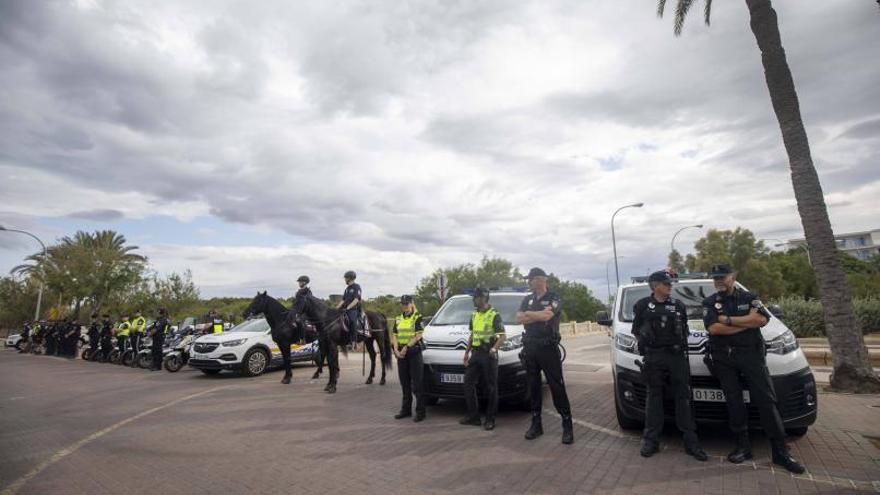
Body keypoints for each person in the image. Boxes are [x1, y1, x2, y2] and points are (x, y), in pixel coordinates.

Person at [702, 263, 805, 474]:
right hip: (724, 358)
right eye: (715, 278)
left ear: (733, 276)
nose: (718, 281)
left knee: (766, 400)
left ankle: (780, 451)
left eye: (722, 277)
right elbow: (713, 327)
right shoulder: (710, 301)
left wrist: (729, 320)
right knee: (734, 401)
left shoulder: (750, 297)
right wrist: (746, 322)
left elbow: (762, 319)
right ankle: (743, 447)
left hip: (751, 356)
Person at [632, 270, 708, 460]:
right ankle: (651, 441)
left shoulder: (678, 305)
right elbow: (637, 331)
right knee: (654, 398)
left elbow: (685, 330)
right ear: (655, 285)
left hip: (676, 357)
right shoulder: (642, 306)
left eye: (670, 283)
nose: (670, 286)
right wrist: (650, 347)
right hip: (654, 357)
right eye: (666, 284)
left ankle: (691, 442)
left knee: (683, 397)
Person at [516, 267, 574, 444]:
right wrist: (535, 315)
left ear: (540, 280)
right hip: (531, 348)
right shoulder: (528, 298)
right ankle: (536, 424)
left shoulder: (553, 297)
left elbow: (548, 316)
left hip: (548, 348)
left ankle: (567, 426)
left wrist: (530, 314)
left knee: (556, 386)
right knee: (533, 386)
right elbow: (518, 318)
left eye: (531, 279)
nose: (528, 282)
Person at [460, 288, 506, 431]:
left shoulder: (494, 315)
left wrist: (494, 349)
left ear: (483, 299)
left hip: (489, 355)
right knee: (468, 383)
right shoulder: (474, 315)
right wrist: (467, 353)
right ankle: (474, 417)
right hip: (476, 354)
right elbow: (472, 335)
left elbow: (503, 336)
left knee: (491, 388)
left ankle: (490, 419)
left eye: (476, 298)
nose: (474, 300)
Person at [392, 295, 425, 422]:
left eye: (407, 303)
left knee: (417, 384)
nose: (405, 306)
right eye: (403, 304)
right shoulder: (398, 318)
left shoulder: (417, 317)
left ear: (412, 303)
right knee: (404, 383)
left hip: (414, 352)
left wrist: (406, 347)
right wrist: (395, 349)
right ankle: (406, 410)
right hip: (401, 353)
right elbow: (394, 335)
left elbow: (418, 336)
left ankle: (420, 412)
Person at [338, 270, 362, 345]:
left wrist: (348, 307)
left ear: (350, 278)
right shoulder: (347, 289)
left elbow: (356, 300)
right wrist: (337, 307)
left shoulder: (357, 287)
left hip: (353, 309)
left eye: (346, 278)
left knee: (352, 321)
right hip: (344, 309)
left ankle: (353, 341)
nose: (345, 279)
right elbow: (343, 300)